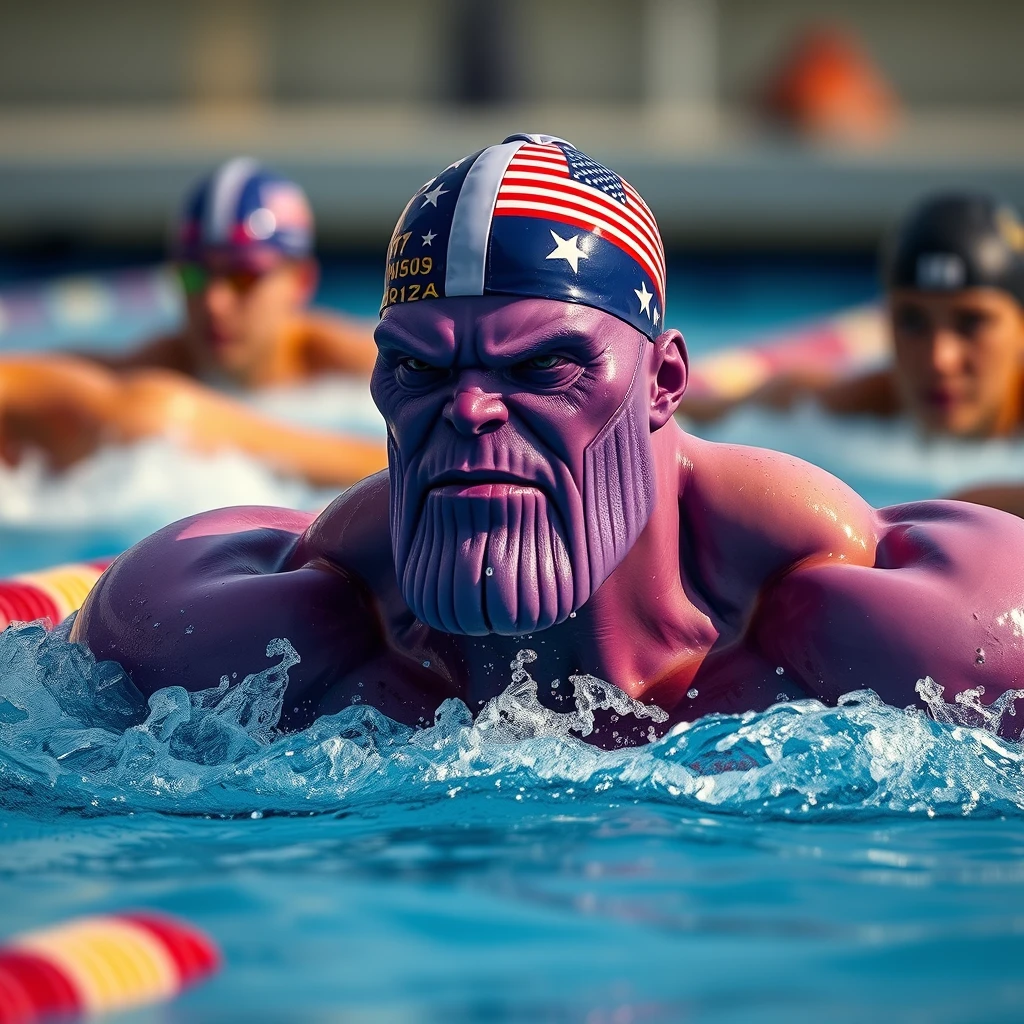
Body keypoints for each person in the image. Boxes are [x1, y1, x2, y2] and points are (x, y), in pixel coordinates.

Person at [72, 135, 1024, 745]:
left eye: (541, 370)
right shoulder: (256, 633)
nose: (473, 412)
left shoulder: (886, 627)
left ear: (665, 383)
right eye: (423, 371)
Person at [94, 157, 377, 389]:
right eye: (194, 275)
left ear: (301, 283)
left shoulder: (362, 369)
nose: (214, 302)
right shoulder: (155, 373)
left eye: (243, 277)